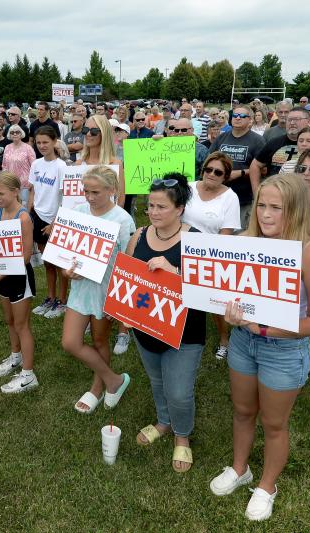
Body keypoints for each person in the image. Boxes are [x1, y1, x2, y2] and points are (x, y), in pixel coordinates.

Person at [210, 174, 310, 521]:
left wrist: (266, 326)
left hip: (284, 350)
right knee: (242, 411)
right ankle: (239, 468)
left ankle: (267, 485)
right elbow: (225, 291)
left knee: (274, 423)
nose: (265, 214)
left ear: (295, 210)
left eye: (275, 208)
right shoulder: (246, 243)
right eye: (261, 205)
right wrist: (231, 313)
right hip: (243, 342)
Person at [123, 172, 208, 472]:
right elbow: (129, 277)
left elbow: (207, 293)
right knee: (157, 381)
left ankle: (182, 437)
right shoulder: (139, 234)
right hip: (146, 327)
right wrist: (125, 316)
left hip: (184, 333)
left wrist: (173, 271)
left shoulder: (196, 240)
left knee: (179, 391)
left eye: (161, 207)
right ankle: (164, 422)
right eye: (150, 206)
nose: (153, 212)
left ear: (180, 208)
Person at [61, 165, 136, 414]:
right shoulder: (78, 211)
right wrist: (66, 271)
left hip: (106, 288)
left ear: (112, 190)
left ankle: (97, 387)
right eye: (86, 191)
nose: (90, 197)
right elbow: (65, 253)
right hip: (81, 287)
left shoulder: (123, 220)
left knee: (99, 339)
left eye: (96, 192)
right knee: (70, 342)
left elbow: (129, 262)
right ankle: (113, 380)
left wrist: (121, 302)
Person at [0, 171, 38, 392]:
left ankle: (28, 374)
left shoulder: (23, 217)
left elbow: (25, 256)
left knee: (22, 325)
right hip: (1, 274)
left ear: (15, 192)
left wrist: (2, 274)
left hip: (18, 277)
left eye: (1, 193)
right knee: (9, 320)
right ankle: (15, 356)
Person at [183, 152, 240, 360]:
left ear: (225, 176)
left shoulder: (230, 197)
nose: (212, 174)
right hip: (180, 249)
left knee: (215, 303)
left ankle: (225, 340)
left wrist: (209, 257)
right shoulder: (188, 187)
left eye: (218, 172)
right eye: (209, 169)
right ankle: (178, 333)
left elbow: (226, 234)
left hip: (210, 254)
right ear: (203, 169)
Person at [26, 127, 67, 319]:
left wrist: (55, 223)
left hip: (55, 219)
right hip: (38, 216)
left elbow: (66, 198)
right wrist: (28, 211)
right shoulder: (36, 164)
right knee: (48, 262)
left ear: (54, 141)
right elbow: (33, 190)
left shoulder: (61, 167)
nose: (42, 146)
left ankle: (62, 300)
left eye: (46, 142)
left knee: (60, 264)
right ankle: (50, 298)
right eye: (38, 142)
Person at [1, 125, 36, 205]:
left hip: (25, 184)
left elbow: (34, 166)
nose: (15, 134)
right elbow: (4, 165)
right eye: (12, 132)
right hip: (11, 183)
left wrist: (32, 182)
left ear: (21, 134)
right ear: (10, 135)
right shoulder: (7, 147)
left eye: (17, 132)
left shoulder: (28, 148)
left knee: (24, 206)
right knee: (12, 205)